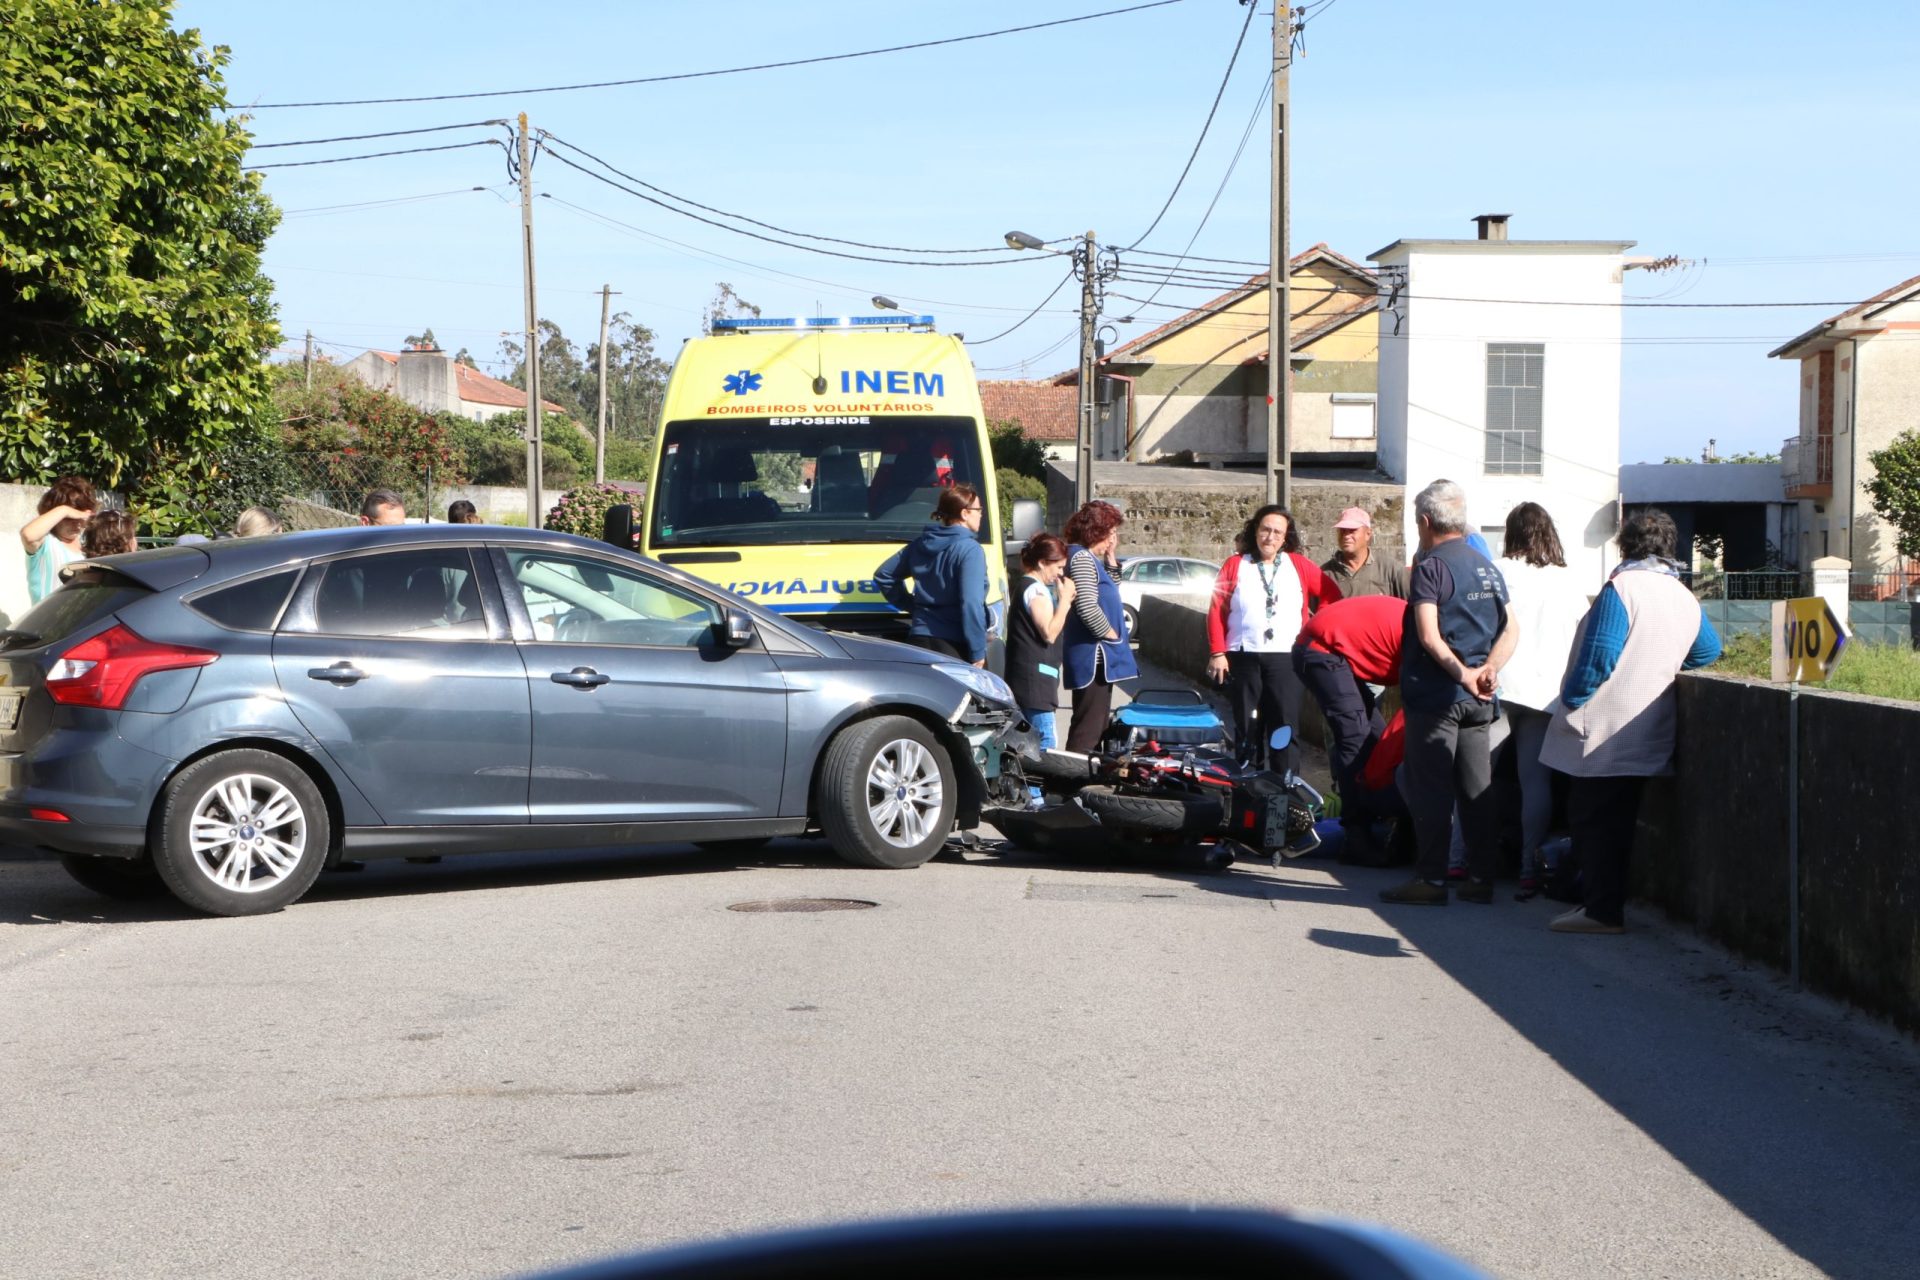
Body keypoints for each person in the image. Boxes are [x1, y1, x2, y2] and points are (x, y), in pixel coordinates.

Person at [1542, 508, 1721, 934]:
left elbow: (1598, 656)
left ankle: (1600, 910)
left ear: (1624, 544)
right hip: (1652, 721)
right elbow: (1706, 652)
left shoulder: (1621, 588)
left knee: (1591, 821)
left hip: (1604, 727)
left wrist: (1572, 698)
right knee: (1619, 822)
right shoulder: (1681, 593)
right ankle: (1601, 906)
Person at [1380, 479, 1518, 907]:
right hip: (1480, 700)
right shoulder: (1485, 566)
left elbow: (1428, 635)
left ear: (1424, 521)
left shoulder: (1431, 567)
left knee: (1431, 789)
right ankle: (1480, 878)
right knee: (1477, 790)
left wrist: (1462, 674)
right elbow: (1511, 626)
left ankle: (1431, 879)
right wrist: (1488, 671)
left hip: (1439, 697)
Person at [1494, 502, 1590, 899]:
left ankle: (1460, 858)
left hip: (1496, 683)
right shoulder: (1568, 581)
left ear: (1511, 533)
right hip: (1544, 692)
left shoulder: (1499, 571)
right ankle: (1530, 867)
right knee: (1537, 782)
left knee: (1475, 776)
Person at [1205, 504, 1342, 771]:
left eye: (1277, 532)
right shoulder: (1236, 565)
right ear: (1255, 531)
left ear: (1286, 537)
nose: (1270, 537)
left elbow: (1330, 595)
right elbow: (1215, 609)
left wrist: (1314, 632)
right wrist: (1217, 652)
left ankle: (1285, 790)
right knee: (1248, 724)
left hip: (1286, 659)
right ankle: (1246, 787)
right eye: (1265, 530)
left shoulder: (1299, 565)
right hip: (1243, 656)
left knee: (1284, 724)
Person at [1293, 594, 1405, 863]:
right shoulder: (1426, 639)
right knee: (1354, 737)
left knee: (1377, 740)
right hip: (1320, 649)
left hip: (1337, 649)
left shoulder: (1431, 629)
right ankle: (1356, 836)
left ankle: (1378, 822)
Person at [872, 483, 989, 665]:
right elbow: (971, 603)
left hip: (918, 640)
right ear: (965, 513)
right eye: (978, 509)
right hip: (954, 645)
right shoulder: (970, 550)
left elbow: (884, 575)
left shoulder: (920, 544)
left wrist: (912, 605)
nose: (981, 514)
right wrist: (978, 651)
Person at [1061, 500, 1138, 753]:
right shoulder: (1082, 558)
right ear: (1096, 530)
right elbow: (1086, 605)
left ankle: (1081, 782)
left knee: (1096, 724)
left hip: (1097, 658)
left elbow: (1110, 590)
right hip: (1094, 658)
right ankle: (1074, 784)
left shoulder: (1085, 557)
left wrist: (1111, 556)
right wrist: (1111, 633)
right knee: (1088, 729)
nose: (1113, 537)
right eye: (1110, 531)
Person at [1005, 531, 1076, 750]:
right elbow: (1049, 632)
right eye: (1058, 567)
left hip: (1028, 678)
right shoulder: (1036, 590)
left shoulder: (1026, 586)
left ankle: (1027, 785)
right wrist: (1065, 601)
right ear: (1043, 563)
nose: (1061, 573)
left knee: (1025, 744)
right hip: (1034, 683)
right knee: (1045, 742)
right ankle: (1036, 786)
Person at [20, 476, 97, 604]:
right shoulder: (46, 543)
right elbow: (28, 535)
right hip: (49, 621)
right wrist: (64, 510)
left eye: (80, 517)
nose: (77, 523)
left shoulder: (87, 544)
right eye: (70, 517)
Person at [1320, 506, 1409, 599]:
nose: (1346, 536)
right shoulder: (1324, 575)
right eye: (1342, 531)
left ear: (1368, 534)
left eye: (1352, 530)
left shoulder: (1391, 570)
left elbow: (1412, 607)